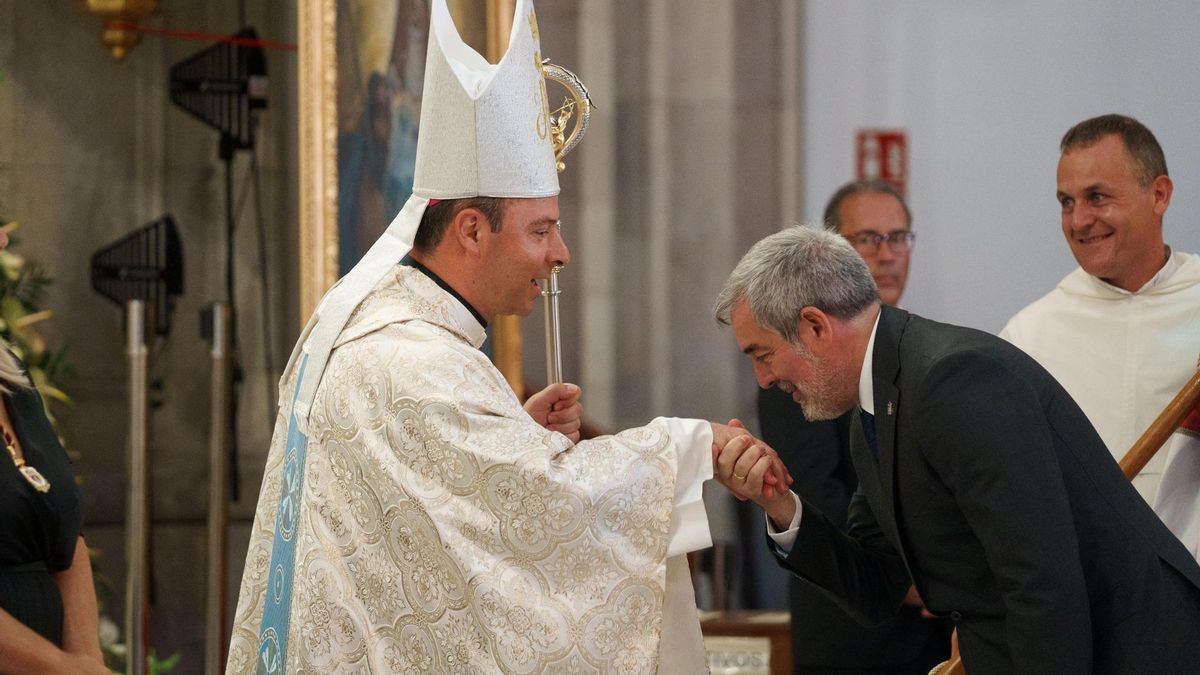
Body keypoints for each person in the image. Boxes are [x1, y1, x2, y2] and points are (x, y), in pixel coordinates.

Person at [226, 1, 785, 672]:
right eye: (541, 229)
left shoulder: (380, 332)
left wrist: (510, 432)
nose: (561, 254)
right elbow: (549, 516)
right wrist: (692, 445)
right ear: (470, 230)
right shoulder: (415, 359)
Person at [713, 225, 1200, 674]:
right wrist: (777, 503)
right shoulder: (878, 402)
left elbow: (1041, 580)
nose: (764, 378)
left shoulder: (953, 379)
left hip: (1131, 652)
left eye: (763, 354)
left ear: (816, 326)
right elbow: (878, 585)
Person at [757, 181, 947, 674]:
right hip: (852, 625)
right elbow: (815, 493)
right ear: (830, 253)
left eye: (898, 238)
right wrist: (907, 582)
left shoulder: (924, 349)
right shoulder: (797, 359)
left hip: (935, 626)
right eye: (868, 239)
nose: (886, 255)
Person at [1000, 114, 1200, 531]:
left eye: (1097, 197)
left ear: (1159, 194)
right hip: (1090, 586)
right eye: (1066, 202)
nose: (1078, 221)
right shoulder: (1029, 338)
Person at [0, 231, 106, 674]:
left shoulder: (11, 375)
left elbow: (63, 535)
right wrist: (65, 670)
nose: (2, 239)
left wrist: (88, 660)